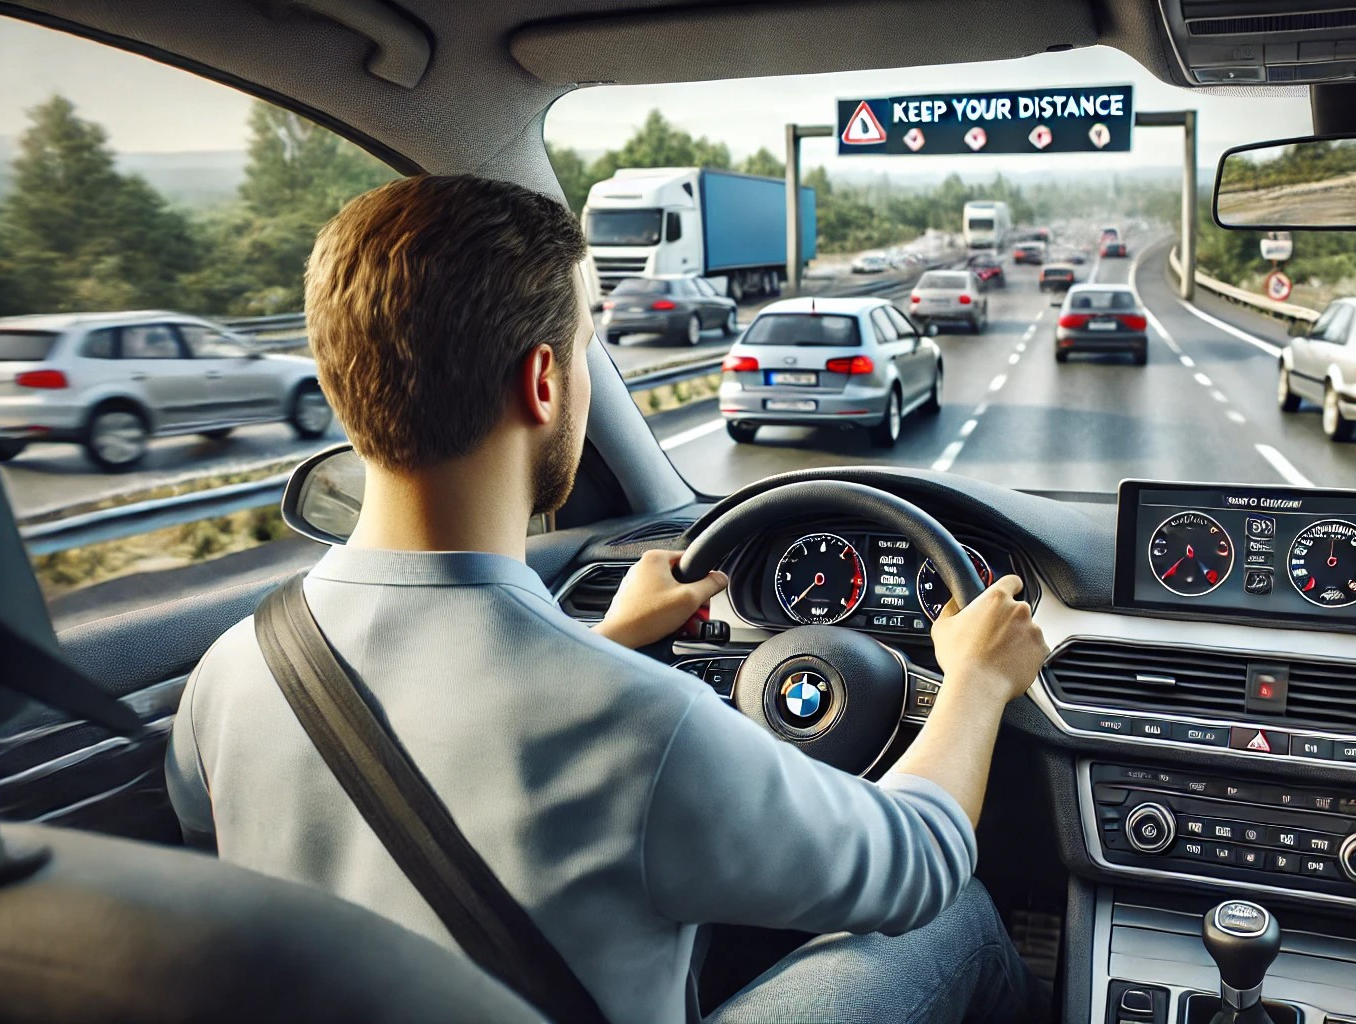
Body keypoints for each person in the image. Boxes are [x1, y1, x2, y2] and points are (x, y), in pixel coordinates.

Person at [165, 174, 1050, 1024]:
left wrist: (614, 635)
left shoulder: (230, 675)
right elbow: (918, 861)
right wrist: (975, 679)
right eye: (591, 349)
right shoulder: (643, 724)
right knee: (956, 917)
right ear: (543, 381)